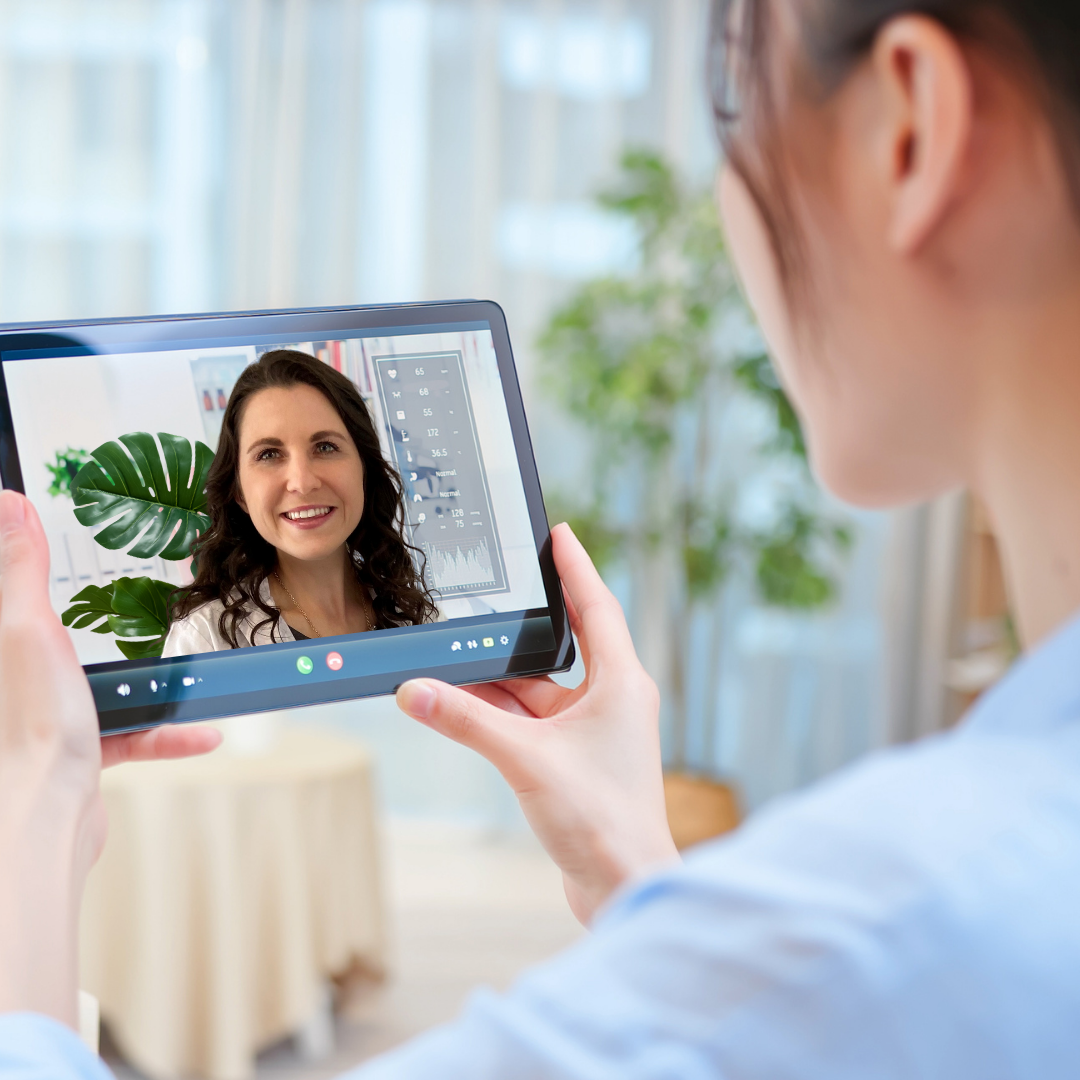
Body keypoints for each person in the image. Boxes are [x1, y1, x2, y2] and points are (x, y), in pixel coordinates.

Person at [3, 0, 1080, 1075]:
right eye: (266, 457)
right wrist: (635, 871)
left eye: (732, 96)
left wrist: (28, 832)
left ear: (911, 131)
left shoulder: (884, 927)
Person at [163, 350, 436, 656]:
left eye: (325, 447)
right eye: (268, 454)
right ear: (239, 492)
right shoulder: (205, 640)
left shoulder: (418, 616)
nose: (303, 482)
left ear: (364, 470)